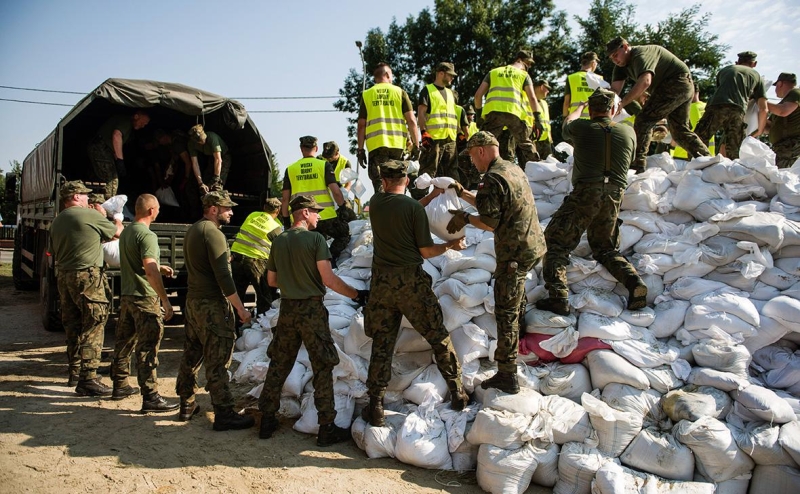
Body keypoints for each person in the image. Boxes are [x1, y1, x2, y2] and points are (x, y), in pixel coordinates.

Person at [361, 160, 469, 426]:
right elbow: (426, 251)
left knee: (383, 344)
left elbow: (405, 209)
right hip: (411, 284)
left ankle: (375, 405)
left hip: (382, 285)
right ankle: (457, 393)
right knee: (438, 336)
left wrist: (430, 196)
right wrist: (451, 244)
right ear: (407, 180)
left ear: (383, 181)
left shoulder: (375, 203)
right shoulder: (411, 208)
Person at [258, 194, 368, 445]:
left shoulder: (279, 241)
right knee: (322, 365)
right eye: (315, 211)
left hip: (287, 309)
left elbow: (272, 281)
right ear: (304, 213)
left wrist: (292, 280)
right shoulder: (316, 239)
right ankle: (326, 427)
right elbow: (328, 279)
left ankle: (266, 419)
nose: (319, 216)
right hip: (311, 310)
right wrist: (356, 294)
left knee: (279, 362)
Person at [445, 132, 545, 395]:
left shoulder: (491, 176)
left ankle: (507, 374)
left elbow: (489, 221)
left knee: (505, 309)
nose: (471, 162)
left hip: (514, 251)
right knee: (516, 297)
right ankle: (521, 340)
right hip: (531, 244)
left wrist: (465, 219)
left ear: (480, 151)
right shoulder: (511, 168)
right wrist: (464, 194)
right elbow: (493, 204)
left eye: (470, 155)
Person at [536, 88, 647, 318]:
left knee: (556, 242)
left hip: (586, 191)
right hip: (614, 194)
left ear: (591, 108)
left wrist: (579, 108)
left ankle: (558, 297)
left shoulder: (581, 127)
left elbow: (567, 123)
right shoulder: (628, 132)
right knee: (606, 248)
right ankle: (634, 283)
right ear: (614, 109)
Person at [176, 190, 254, 430]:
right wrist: (240, 309)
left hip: (194, 303)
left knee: (192, 354)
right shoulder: (214, 233)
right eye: (227, 208)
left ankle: (186, 403)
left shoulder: (194, 229)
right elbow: (223, 276)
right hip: (211, 305)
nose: (231, 212)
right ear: (213, 209)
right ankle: (224, 413)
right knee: (217, 359)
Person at [50, 180, 123, 394]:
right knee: (94, 323)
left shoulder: (57, 221)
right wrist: (115, 217)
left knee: (73, 325)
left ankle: (74, 372)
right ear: (74, 197)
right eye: (84, 195)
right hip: (87, 276)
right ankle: (89, 378)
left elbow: (57, 249)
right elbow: (117, 233)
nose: (88, 199)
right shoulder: (89, 215)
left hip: (64, 276)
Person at [110, 194, 180, 412]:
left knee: (124, 343)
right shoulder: (147, 235)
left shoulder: (128, 231)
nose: (159, 211)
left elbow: (138, 261)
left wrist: (160, 267)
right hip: (144, 297)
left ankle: (120, 385)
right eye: (157, 208)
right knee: (147, 347)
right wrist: (165, 300)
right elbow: (149, 270)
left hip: (128, 296)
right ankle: (150, 397)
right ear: (151, 211)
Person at [607, 36, 710, 172]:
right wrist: (605, 98)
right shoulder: (620, 65)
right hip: (678, 86)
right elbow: (615, 90)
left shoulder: (640, 55)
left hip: (676, 82)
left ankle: (637, 165)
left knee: (644, 120)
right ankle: (707, 159)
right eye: (611, 58)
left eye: (616, 55)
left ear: (625, 47)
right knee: (679, 131)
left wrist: (623, 102)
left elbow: (645, 81)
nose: (615, 60)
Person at [281, 136, 354, 268]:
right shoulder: (323, 165)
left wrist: (286, 221)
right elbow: (336, 191)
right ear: (316, 148)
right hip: (325, 216)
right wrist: (343, 208)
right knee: (344, 235)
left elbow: (285, 199)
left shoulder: (291, 169)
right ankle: (330, 260)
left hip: (301, 219)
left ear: (301, 149)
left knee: (308, 247)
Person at [357, 62, 421, 193]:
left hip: (376, 147)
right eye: (391, 75)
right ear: (387, 74)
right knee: (397, 184)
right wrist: (416, 145)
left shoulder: (367, 94)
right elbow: (412, 121)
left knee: (380, 185)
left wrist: (360, 149)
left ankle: (382, 211)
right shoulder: (399, 92)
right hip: (397, 147)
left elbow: (361, 125)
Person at [473, 49, 544, 166]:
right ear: (519, 60)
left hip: (493, 115)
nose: (529, 66)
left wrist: (479, 116)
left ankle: (474, 174)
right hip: (514, 114)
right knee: (526, 144)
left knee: (483, 144)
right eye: (528, 63)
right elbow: (532, 98)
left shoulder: (493, 72)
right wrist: (538, 119)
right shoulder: (524, 75)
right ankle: (540, 170)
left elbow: (477, 96)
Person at [694, 51, 767, 160]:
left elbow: (721, 90)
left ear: (737, 62)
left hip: (716, 106)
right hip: (737, 109)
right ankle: (732, 172)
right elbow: (763, 108)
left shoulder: (725, 70)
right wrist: (760, 130)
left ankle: (695, 166)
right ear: (754, 64)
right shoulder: (756, 76)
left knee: (699, 139)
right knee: (734, 148)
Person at [230, 197, 283, 319]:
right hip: (256, 261)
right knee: (264, 295)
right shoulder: (275, 226)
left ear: (264, 207)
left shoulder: (252, 215)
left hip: (237, 258)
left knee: (237, 294)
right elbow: (281, 246)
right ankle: (261, 324)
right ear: (278, 210)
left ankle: (236, 325)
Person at [414, 62, 460, 199]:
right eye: (450, 75)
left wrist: (460, 134)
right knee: (427, 174)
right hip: (433, 140)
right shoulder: (427, 90)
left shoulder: (452, 94)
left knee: (452, 175)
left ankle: (453, 204)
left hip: (450, 140)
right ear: (441, 73)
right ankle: (419, 206)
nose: (452, 78)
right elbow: (421, 113)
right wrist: (424, 133)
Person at [87, 111, 151, 199]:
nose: (143, 126)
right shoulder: (126, 121)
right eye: (143, 122)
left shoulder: (125, 123)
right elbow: (116, 136)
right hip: (100, 148)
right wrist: (120, 161)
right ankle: (109, 206)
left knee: (101, 178)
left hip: (100, 149)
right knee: (112, 181)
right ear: (136, 116)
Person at [672, 87, 716, 159]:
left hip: (684, 155)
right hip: (709, 154)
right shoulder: (707, 107)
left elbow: (675, 136)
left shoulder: (685, 109)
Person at [767, 72, 800, 169]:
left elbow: (783, 111)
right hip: (783, 147)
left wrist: (761, 101)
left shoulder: (795, 93)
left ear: (780, 84)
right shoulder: (782, 103)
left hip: (791, 145)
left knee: (784, 177)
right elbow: (768, 128)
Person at [187, 124, 232, 194]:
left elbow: (218, 159)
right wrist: (200, 183)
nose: (203, 141)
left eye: (204, 139)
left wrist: (216, 178)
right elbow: (195, 163)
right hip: (211, 157)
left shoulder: (212, 137)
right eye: (201, 141)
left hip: (223, 156)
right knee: (206, 184)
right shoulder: (191, 144)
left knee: (217, 185)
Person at [563, 51, 601, 119]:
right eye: (596, 63)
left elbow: (566, 103)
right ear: (593, 63)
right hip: (593, 120)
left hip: (575, 121)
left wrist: (565, 119)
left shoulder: (571, 78)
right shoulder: (599, 79)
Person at [533, 80, 553, 159]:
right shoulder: (527, 100)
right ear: (541, 87)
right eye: (546, 88)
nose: (548, 91)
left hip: (546, 141)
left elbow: (547, 122)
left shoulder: (544, 103)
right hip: (534, 140)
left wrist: (550, 139)